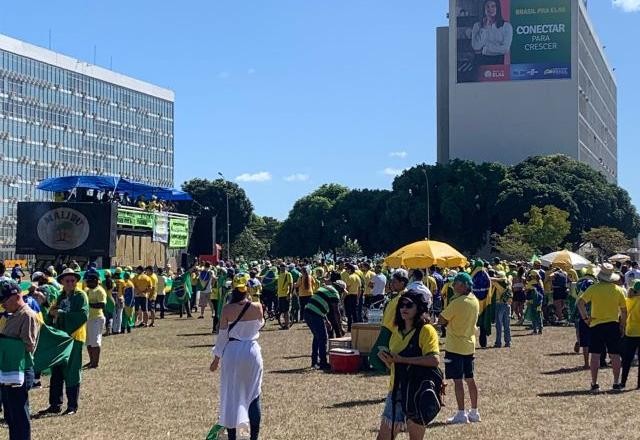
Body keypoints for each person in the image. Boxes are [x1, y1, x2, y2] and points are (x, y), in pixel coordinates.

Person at [377, 290, 440, 440]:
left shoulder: (426, 330)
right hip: (397, 389)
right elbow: (394, 362)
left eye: (409, 305)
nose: (404, 308)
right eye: (401, 305)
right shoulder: (396, 330)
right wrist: (387, 359)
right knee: (384, 437)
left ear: (418, 308)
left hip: (418, 389)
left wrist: (402, 360)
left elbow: (434, 360)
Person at [210, 275, 264, 440]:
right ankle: (253, 436)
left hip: (232, 351)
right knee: (254, 394)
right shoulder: (257, 307)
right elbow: (261, 324)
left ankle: (232, 435)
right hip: (252, 350)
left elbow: (222, 336)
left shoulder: (227, 309)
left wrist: (216, 358)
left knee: (231, 395)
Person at [41, 268, 89, 415]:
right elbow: (51, 314)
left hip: (74, 337)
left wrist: (60, 314)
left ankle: (72, 406)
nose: (70, 283)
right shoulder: (60, 296)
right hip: (60, 339)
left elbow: (82, 315)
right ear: (61, 282)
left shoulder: (81, 296)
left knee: (72, 371)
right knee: (57, 371)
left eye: (72, 280)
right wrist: (51, 314)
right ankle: (55, 404)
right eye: (67, 280)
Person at [577, 263, 628, 393]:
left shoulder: (594, 288)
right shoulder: (618, 290)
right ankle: (616, 383)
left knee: (595, 354)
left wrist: (585, 318)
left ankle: (594, 383)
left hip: (596, 324)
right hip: (612, 324)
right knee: (615, 355)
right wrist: (622, 325)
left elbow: (580, 303)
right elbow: (623, 310)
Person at [0, 280, 41, 440]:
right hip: (9, 369)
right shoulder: (13, 315)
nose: (3, 305)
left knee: (19, 415)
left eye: (4, 301)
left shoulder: (27, 315)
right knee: (11, 414)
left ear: (16, 296)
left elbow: (29, 345)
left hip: (20, 370)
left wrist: (5, 342)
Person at [438, 272, 481, 425]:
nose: (453, 286)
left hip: (455, 345)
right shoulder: (474, 300)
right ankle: (474, 411)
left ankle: (461, 413)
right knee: (470, 379)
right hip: (469, 345)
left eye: (455, 283)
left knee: (457, 381)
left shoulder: (457, 302)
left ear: (463, 285)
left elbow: (442, 320)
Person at [303, 276, 346, 370]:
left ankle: (314, 361)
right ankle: (323, 363)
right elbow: (336, 312)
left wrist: (326, 321)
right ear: (340, 289)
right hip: (315, 314)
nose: (342, 293)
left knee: (317, 337)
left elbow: (321, 304)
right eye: (342, 291)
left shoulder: (324, 288)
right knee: (323, 338)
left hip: (308, 312)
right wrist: (340, 327)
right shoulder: (335, 293)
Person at [471, 0, 513, 65]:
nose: (490, 9)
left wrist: (484, 49)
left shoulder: (506, 26)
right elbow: (476, 47)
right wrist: (484, 28)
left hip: (498, 62)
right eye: (487, 7)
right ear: (484, 9)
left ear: (497, 8)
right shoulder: (477, 26)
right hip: (480, 62)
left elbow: (505, 49)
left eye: (493, 6)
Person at [84, 270, 106, 369]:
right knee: (88, 341)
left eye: (89, 281)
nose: (87, 283)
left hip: (96, 318)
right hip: (88, 318)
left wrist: (88, 305)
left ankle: (95, 363)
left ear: (95, 281)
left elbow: (102, 304)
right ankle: (91, 360)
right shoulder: (87, 290)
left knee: (95, 341)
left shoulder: (99, 290)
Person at [621, 281, 640, 389]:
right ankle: (639, 384)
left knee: (627, 359)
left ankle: (623, 382)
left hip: (630, 331)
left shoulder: (628, 300)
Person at [492, 271, 512, 348]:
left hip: (499, 304)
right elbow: (510, 277)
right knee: (507, 325)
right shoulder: (509, 283)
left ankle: (498, 342)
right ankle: (508, 342)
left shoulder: (498, 284)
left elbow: (491, 280)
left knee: (499, 325)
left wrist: (497, 279)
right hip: (507, 305)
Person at [344, 264, 362, 332]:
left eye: (347, 269)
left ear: (350, 269)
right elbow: (360, 289)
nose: (346, 270)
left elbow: (347, 289)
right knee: (354, 313)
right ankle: (356, 327)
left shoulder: (349, 277)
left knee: (349, 313)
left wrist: (343, 297)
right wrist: (358, 298)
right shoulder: (357, 277)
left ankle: (349, 328)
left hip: (349, 297)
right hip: (355, 296)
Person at [276, 263, 293, 330]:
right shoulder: (279, 275)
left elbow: (291, 285)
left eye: (283, 266)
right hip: (280, 295)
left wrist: (289, 294)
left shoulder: (288, 274)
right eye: (281, 266)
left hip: (286, 295)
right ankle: (285, 324)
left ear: (286, 267)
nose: (282, 267)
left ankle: (287, 325)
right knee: (282, 310)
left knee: (286, 311)